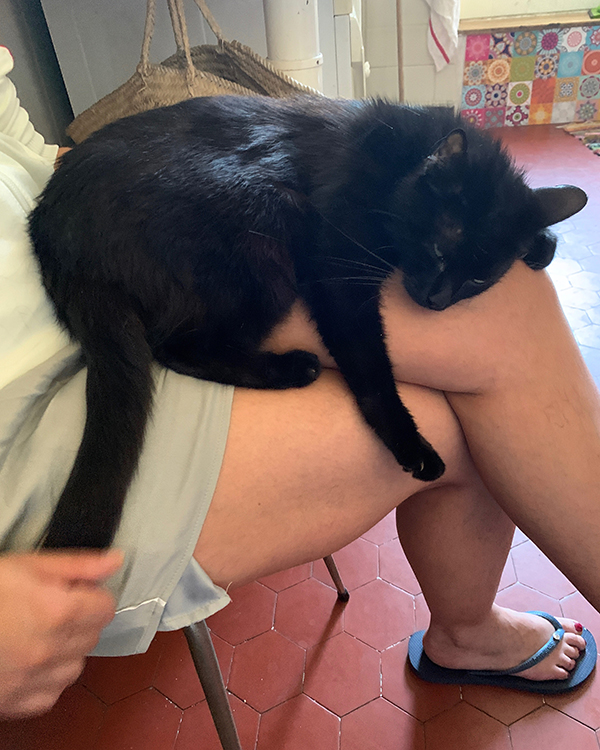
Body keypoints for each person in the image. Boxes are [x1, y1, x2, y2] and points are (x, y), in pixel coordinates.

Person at [1, 45, 599, 719]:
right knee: (472, 427)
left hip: (69, 226)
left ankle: (467, 629)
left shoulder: (413, 159)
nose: (438, 296)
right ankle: (467, 632)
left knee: (510, 318)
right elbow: (344, 296)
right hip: (42, 369)